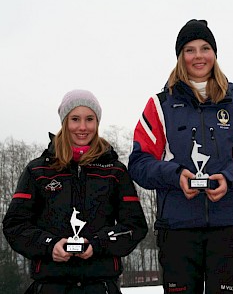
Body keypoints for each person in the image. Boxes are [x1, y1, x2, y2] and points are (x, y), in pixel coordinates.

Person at [128, 19, 233, 294]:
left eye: (205, 48)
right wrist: (175, 175)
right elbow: (139, 163)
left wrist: (230, 178)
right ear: (180, 56)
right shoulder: (160, 104)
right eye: (190, 49)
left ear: (214, 54)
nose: (198, 56)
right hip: (177, 228)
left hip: (229, 225)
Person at [3, 89, 148, 293]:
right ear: (64, 122)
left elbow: (135, 226)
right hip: (49, 286)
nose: (82, 127)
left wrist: (98, 244)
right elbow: (14, 225)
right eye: (75, 119)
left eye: (89, 119)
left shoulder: (115, 171)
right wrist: (49, 245)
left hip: (101, 286)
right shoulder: (38, 170)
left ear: (97, 123)